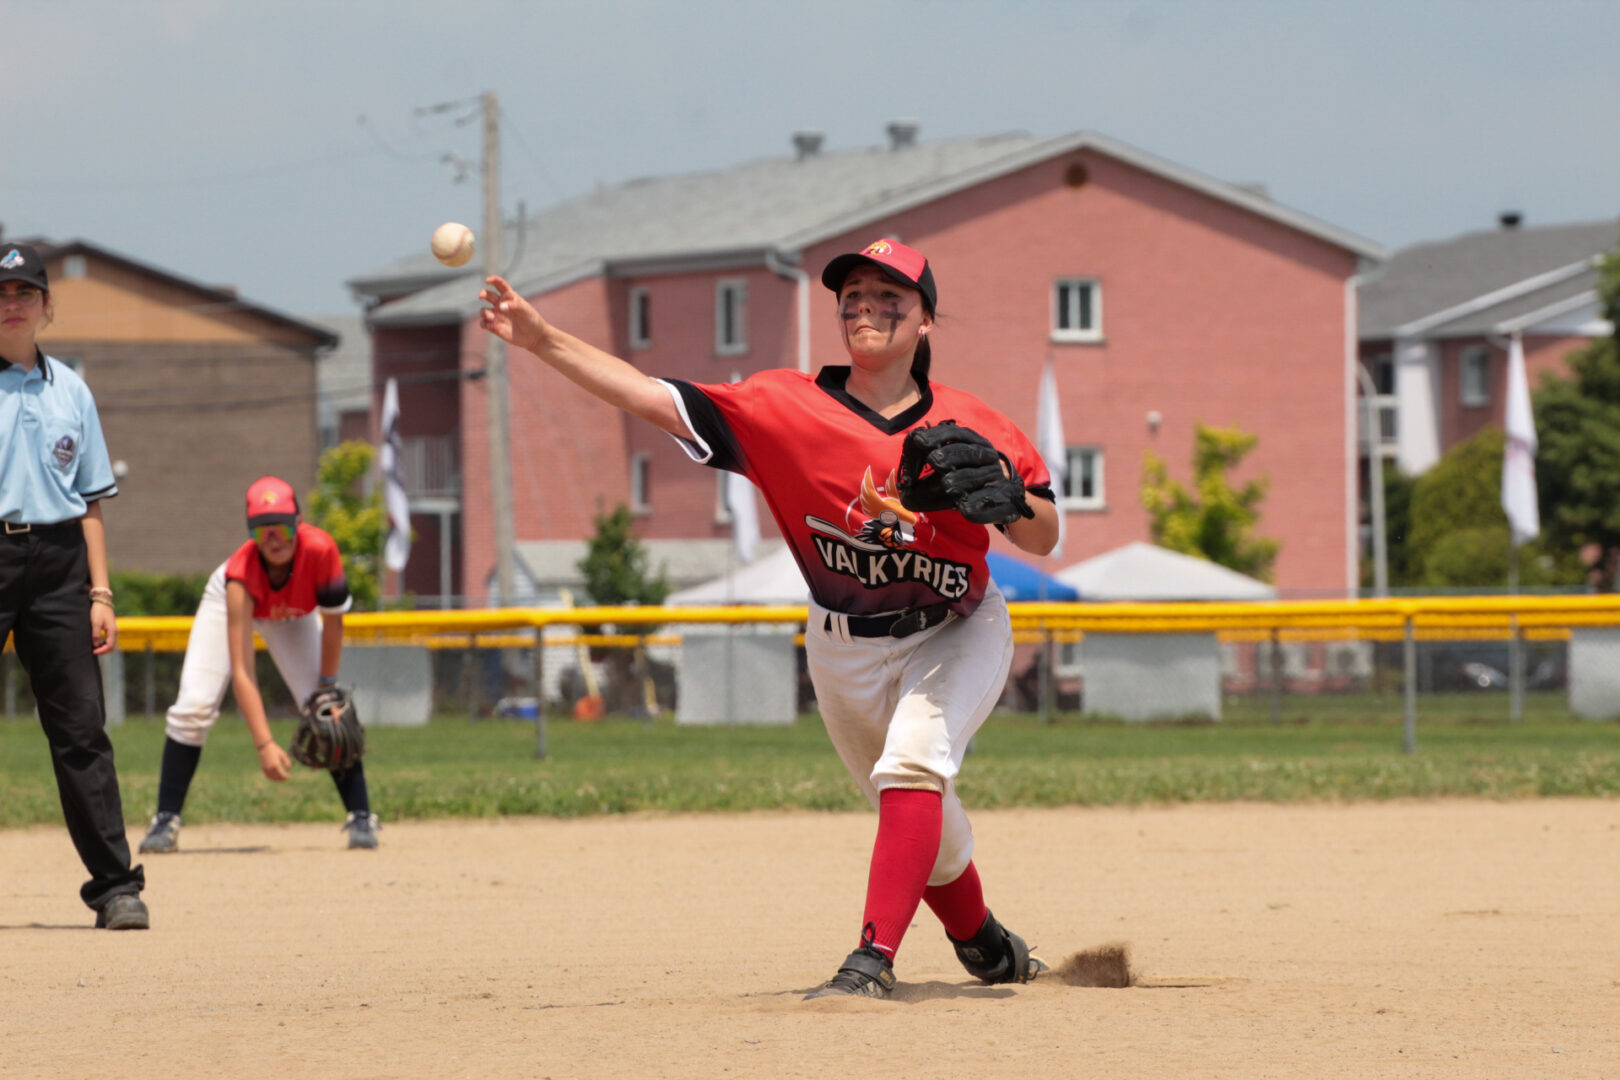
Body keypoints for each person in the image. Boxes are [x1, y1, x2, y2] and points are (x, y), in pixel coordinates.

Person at [479, 237, 1061, 998]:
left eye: (893, 297)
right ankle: (983, 943)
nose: (868, 308)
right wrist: (543, 339)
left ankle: (870, 963)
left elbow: (1045, 536)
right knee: (921, 814)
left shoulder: (971, 420)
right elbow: (649, 397)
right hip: (841, 645)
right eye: (855, 294)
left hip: (957, 627)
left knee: (913, 765)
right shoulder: (781, 407)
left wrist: (1015, 502)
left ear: (926, 322)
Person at [0, 242, 148, 929]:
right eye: (1, 293)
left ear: (46, 307)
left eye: (24, 293)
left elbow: (91, 500)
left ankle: (117, 886)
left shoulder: (71, 390)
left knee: (81, 729)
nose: (11, 304)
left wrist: (101, 593)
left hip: (60, 565)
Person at [138, 476, 380, 853]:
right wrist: (264, 744)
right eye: (263, 531)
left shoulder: (321, 550)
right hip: (233, 604)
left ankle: (362, 815)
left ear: (298, 523)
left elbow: (334, 623)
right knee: (194, 706)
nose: (275, 539)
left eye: (283, 527)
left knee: (327, 708)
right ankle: (165, 818)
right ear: (251, 533)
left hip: (294, 615)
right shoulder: (240, 573)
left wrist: (326, 686)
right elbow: (243, 672)